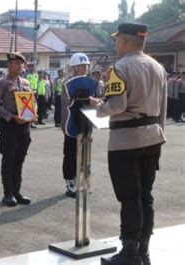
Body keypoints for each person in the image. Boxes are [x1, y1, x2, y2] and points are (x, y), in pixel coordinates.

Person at [89, 23, 167, 265]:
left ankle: (129, 253)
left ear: (124, 41)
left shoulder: (120, 68)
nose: (115, 44)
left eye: (117, 40)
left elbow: (117, 106)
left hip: (126, 141)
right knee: (146, 195)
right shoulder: (158, 67)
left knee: (130, 197)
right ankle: (144, 250)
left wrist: (98, 107)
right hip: (153, 136)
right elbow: (162, 108)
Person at [0, 52, 33, 207]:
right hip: (10, 124)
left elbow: (31, 102)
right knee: (9, 159)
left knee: (19, 159)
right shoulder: (1, 83)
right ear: (9, 65)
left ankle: (17, 191)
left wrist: (32, 114)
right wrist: (10, 116)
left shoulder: (26, 83)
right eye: (15, 63)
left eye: (21, 63)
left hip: (24, 125)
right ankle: (7, 193)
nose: (19, 66)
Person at [60, 53, 97, 198]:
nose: (84, 68)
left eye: (86, 65)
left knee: (84, 155)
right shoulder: (67, 84)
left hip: (86, 123)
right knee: (70, 154)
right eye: (81, 66)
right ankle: (70, 183)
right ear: (74, 68)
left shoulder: (92, 82)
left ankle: (82, 182)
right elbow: (65, 106)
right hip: (72, 123)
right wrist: (64, 125)